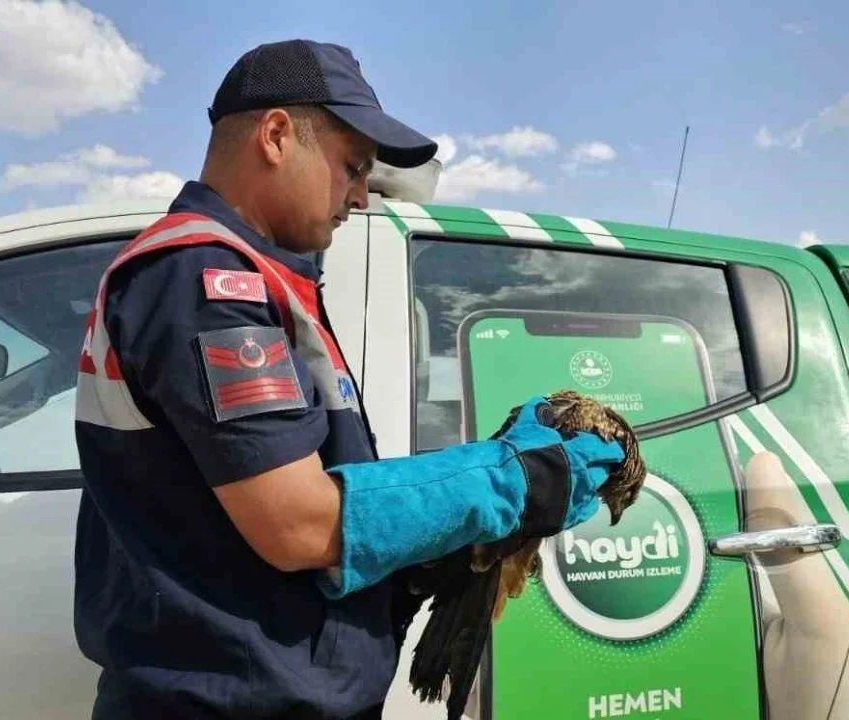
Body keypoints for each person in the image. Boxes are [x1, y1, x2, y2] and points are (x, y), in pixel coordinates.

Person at [72, 39, 625, 720]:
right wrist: (511, 480)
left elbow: (304, 497)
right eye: (353, 167)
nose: (361, 197)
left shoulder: (266, 280)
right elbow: (299, 524)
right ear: (276, 136)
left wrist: (426, 547)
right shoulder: (205, 280)